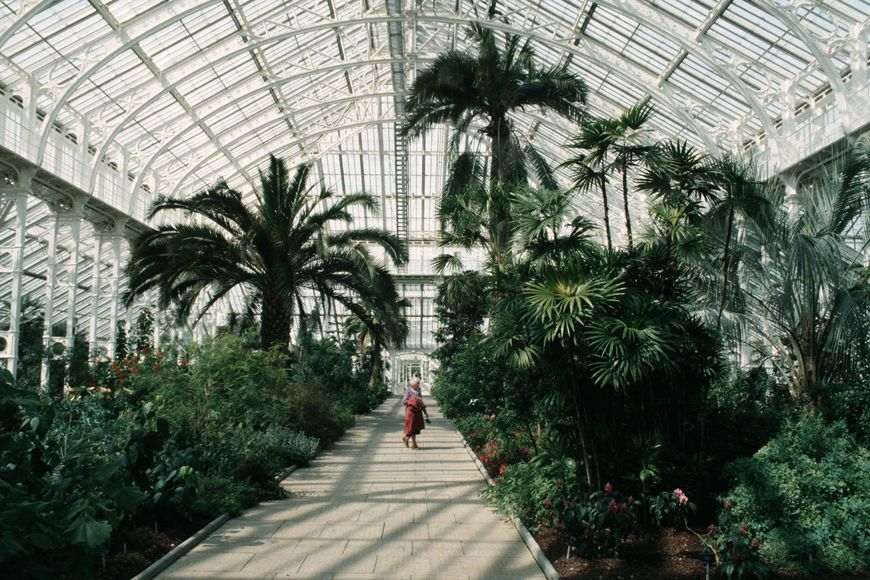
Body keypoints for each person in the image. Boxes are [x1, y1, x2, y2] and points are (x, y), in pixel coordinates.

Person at [402, 380, 430, 449]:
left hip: (418, 412)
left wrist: (425, 412)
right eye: (418, 383)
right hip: (410, 411)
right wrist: (413, 401)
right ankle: (407, 438)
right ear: (414, 384)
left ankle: (413, 443)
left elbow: (421, 401)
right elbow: (404, 401)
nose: (419, 384)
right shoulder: (408, 390)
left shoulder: (418, 391)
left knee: (416, 428)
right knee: (411, 427)